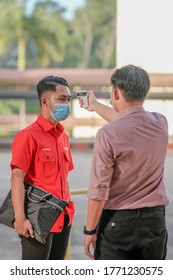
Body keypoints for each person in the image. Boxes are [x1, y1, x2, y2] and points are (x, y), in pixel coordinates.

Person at [80, 64, 169, 260]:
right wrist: (94, 106)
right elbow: (130, 121)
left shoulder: (107, 135)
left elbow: (99, 190)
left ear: (115, 92)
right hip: (154, 222)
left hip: (118, 223)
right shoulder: (161, 123)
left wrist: (90, 231)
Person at [10, 75, 75, 260]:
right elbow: (17, 177)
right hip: (37, 219)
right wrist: (20, 218)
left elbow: (64, 177)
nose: (66, 104)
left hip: (63, 217)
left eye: (68, 99)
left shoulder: (63, 137)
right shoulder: (28, 136)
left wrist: (69, 206)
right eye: (61, 99)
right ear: (45, 101)